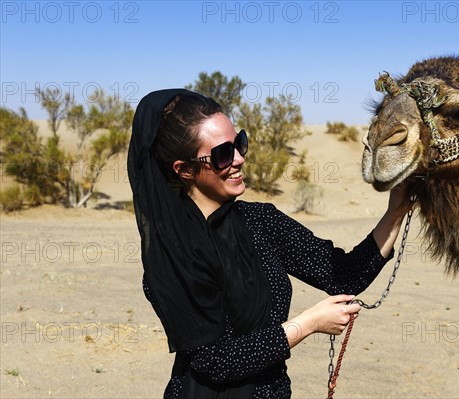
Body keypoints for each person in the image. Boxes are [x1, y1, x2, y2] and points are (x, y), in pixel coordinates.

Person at [128, 88, 411, 398]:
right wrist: (307, 324)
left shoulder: (261, 221)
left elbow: (343, 275)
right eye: (222, 154)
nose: (239, 159)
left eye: (239, 143)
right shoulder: (172, 254)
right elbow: (215, 361)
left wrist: (396, 209)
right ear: (185, 170)